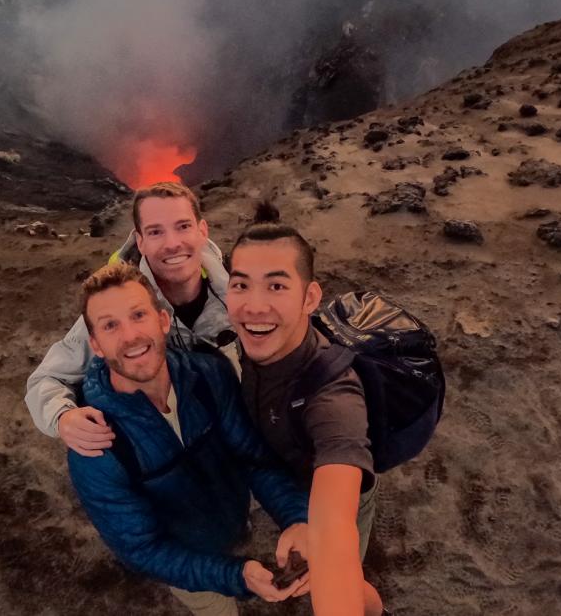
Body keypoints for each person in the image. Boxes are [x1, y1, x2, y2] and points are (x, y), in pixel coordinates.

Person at [68, 261, 311, 615]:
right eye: (110, 325)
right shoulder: (95, 446)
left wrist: (296, 518)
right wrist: (236, 576)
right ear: (96, 345)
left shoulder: (210, 375)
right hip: (183, 560)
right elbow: (143, 549)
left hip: (232, 515)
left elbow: (253, 458)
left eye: (138, 315)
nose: (130, 336)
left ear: (163, 321)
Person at [226, 202, 384, 616]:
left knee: (340, 577)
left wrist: (326, 543)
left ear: (310, 296)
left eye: (276, 286)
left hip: (334, 491)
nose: (254, 306)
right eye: (240, 285)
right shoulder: (246, 344)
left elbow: (334, 531)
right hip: (288, 476)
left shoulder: (333, 396)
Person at [25, 182, 235, 455]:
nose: (173, 244)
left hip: (241, 445)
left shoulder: (238, 294)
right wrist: (63, 416)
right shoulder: (119, 307)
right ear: (140, 242)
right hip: (168, 457)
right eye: (155, 232)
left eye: (183, 226)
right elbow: (47, 379)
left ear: (202, 231)